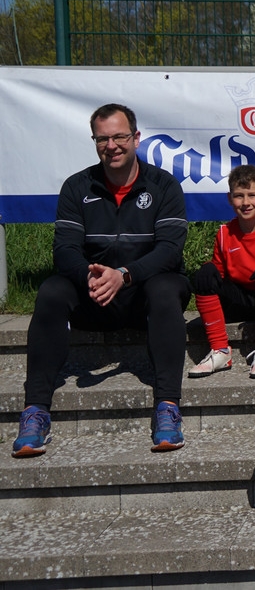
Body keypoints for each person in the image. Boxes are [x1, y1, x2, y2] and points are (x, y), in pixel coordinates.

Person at [13, 103, 190, 457]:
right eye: (102, 139)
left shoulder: (164, 185)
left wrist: (124, 275)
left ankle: (168, 407)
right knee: (51, 291)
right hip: (95, 294)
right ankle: (35, 413)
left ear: (136, 138)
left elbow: (170, 250)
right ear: (95, 141)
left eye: (119, 137)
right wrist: (90, 276)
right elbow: (64, 251)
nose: (112, 146)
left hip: (144, 296)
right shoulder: (77, 186)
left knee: (166, 287)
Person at [189, 164, 255, 379]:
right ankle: (220, 350)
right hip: (239, 299)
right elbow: (220, 274)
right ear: (230, 199)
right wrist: (210, 268)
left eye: (252, 195)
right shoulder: (224, 233)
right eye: (239, 196)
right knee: (205, 277)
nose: (246, 202)